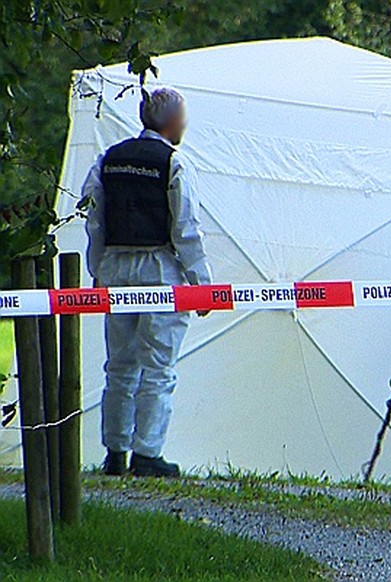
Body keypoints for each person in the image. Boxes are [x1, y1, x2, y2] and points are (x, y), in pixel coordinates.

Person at [82, 87, 212, 477]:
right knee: (158, 367)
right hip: (159, 272)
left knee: (119, 366)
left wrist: (98, 274)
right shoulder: (173, 164)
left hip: (116, 270)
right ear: (172, 122)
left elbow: (95, 222)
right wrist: (201, 283)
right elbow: (186, 229)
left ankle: (115, 453)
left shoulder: (109, 160)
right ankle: (147, 454)